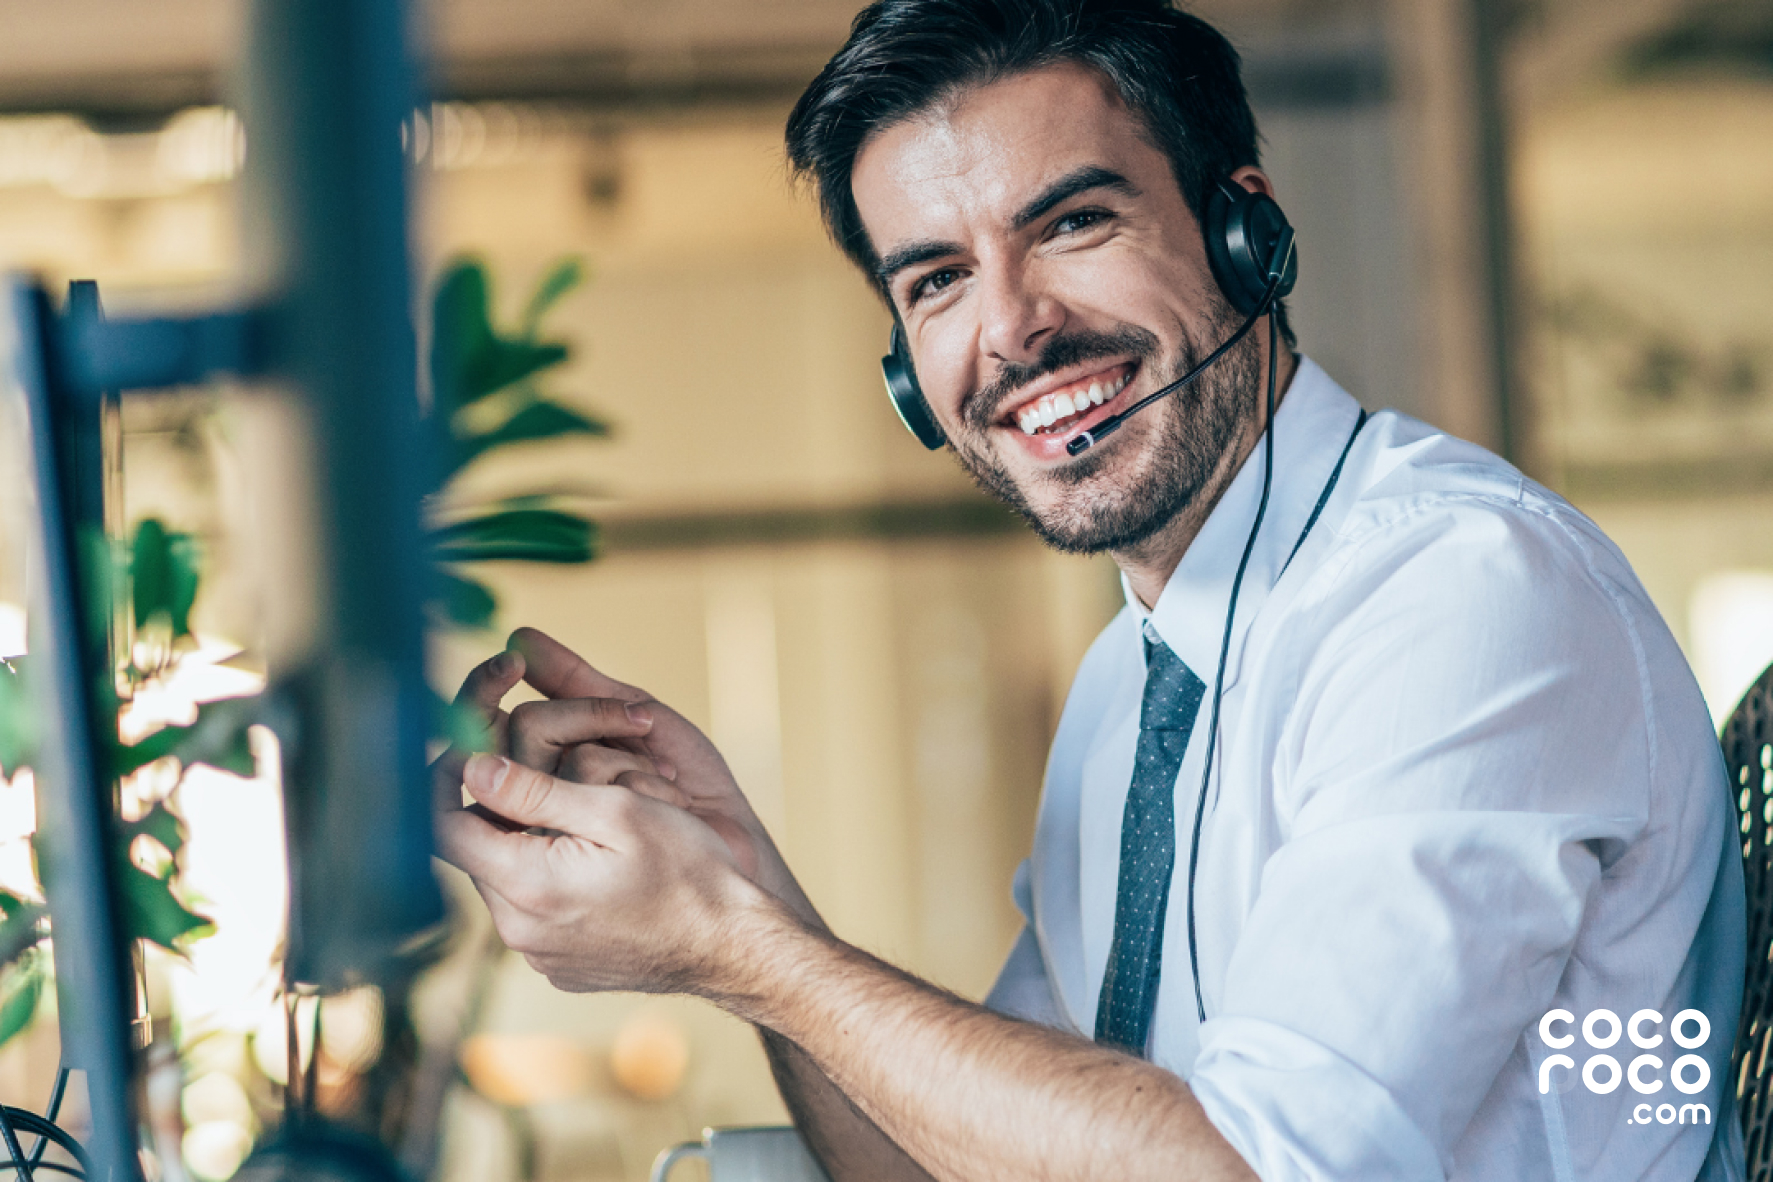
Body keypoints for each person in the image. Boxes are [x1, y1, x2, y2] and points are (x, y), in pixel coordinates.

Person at [434, 1, 1747, 1178]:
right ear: (908, 374)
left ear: (1245, 230)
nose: (1009, 329)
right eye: (936, 279)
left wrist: (739, 943)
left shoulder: (1455, 596)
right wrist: (738, 883)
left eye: (1069, 222)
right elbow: (960, 1156)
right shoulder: (1136, 677)